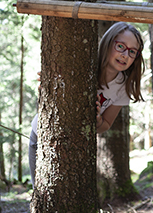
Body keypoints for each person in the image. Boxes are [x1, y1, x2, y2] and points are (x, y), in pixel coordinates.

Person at [29, 22, 145, 187]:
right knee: (42, 192)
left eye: (132, 51)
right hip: (43, 136)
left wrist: (98, 121)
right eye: (120, 46)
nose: (125, 54)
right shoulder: (84, 64)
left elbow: (106, 124)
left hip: (76, 144)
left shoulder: (122, 87)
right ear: (108, 42)